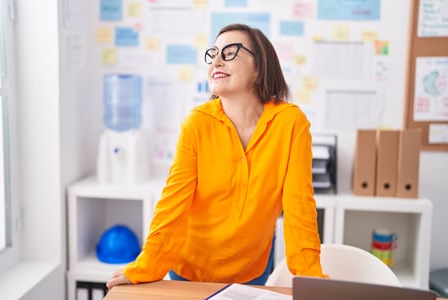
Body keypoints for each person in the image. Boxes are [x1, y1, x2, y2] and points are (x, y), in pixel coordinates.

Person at [106, 23, 325, 289]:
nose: (216, 61)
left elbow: (299, 206)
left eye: (230, 52)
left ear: (259, 67)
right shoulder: (196, 123)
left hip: (252, 268)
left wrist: (311, 278)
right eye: (213, 54)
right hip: (191, 268)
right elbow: (173, 204)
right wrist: (147, 265)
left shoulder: (291, 123)